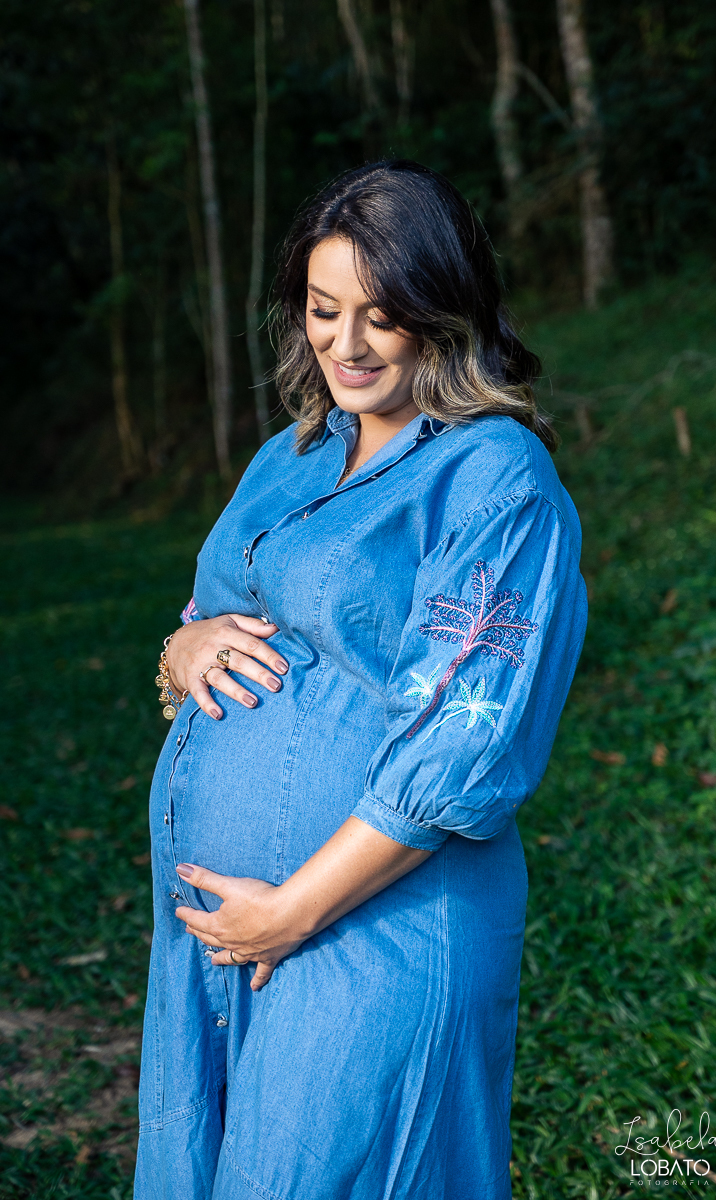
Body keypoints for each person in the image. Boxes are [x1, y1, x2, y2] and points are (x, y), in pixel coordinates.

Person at [135, 159, 587, 1200]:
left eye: (381, 316)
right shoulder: (290, 454)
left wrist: (292, 911)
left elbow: (461, 741)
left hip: (372, 929)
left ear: (442, 311)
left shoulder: (493, 475)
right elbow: (207, 617)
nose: (345, 344)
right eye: (323, 309)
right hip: (220, 936)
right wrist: (181, 652)